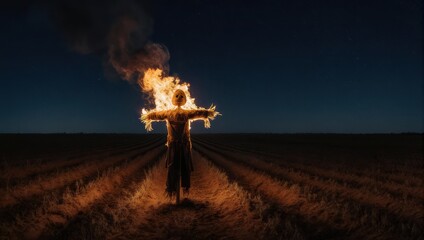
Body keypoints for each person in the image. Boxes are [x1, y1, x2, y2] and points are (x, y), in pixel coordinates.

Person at [141, 89, 219, 200]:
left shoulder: (172, 113)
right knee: (179, 166)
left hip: (179, 144)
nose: (179, 97)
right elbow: (199, 113)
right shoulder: (182, 113)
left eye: (180, 96)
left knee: (178, 166)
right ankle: (177, 189)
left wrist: (148, 116)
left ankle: (173, 190)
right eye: (177, 95)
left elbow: (156, 115)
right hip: (179, 144)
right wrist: (208, 113)